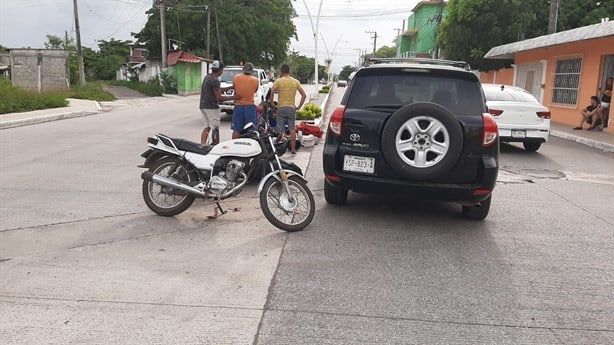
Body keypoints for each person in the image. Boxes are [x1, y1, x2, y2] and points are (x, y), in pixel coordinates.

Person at [269, 64, 306, 154]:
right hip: (291, 108)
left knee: (280, 129)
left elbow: (271, 93)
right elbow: (304, 95)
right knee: (292, 129)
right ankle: (293, 149)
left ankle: (281, 148)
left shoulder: (278, 81)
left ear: (281, 72)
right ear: (289, 71)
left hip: (281, 108)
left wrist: (273, 104)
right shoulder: (295, 82)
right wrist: (298, 107)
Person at [199, 61, 236, 145]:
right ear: (220, 70)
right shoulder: (215, 80)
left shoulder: (207, 77)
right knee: (215, 128)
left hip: (203, 106)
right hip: (212, 107)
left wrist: (230, 87)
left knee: (207, 127)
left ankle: (202, 145)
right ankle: (216, 145)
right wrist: (234, 98)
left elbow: (217, 90)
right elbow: (219, 97)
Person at [231, 62, 259, 139]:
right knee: (251, 129)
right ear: (252, 71)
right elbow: (255, 91)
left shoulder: (236, 78)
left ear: (243, 70)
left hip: (238, 106)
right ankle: (250, 147)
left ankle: (234, 146)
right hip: (250, 106)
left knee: (236, 129)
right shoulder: (256, 80)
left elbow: (235, 89)